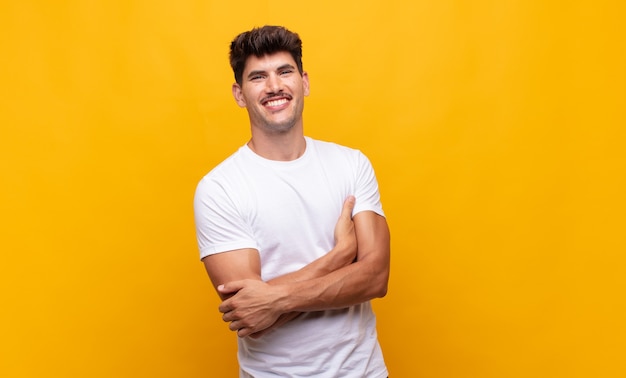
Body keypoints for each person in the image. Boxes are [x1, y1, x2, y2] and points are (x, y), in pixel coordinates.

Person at [193, 25, 390, 377]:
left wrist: (274, 299)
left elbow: (375, 277)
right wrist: (341, 257)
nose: (274, 86)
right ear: (239, 94)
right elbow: (251, 317)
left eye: (285, 71)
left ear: (305, 82)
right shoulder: (219, 188)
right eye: (258, 77)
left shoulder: (351, 164)